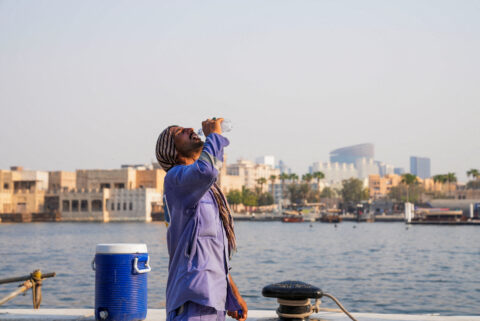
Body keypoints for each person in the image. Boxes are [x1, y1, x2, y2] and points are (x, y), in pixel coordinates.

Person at [156, 118, 248, 321]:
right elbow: (207, 170)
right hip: (192, 301)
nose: (189, 129)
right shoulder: (175, 179)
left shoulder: (207, 191)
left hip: (214, 301)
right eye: (179, 132)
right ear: (173, 151)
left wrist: (232, 293)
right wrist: (214, 136)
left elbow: (210, 250)